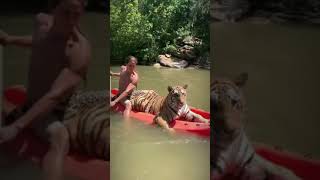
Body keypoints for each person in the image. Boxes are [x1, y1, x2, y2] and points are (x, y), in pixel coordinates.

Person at [0, 0, 90, 180]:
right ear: (52, 8)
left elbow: (54, 96)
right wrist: (10, 39)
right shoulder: (41, 22)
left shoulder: (79, 51)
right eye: (66, 13)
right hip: (30, 98)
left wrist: (17, 127)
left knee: (60, 137)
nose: (71, 21)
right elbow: (40, 42)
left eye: (77, 15)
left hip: (54, 110)